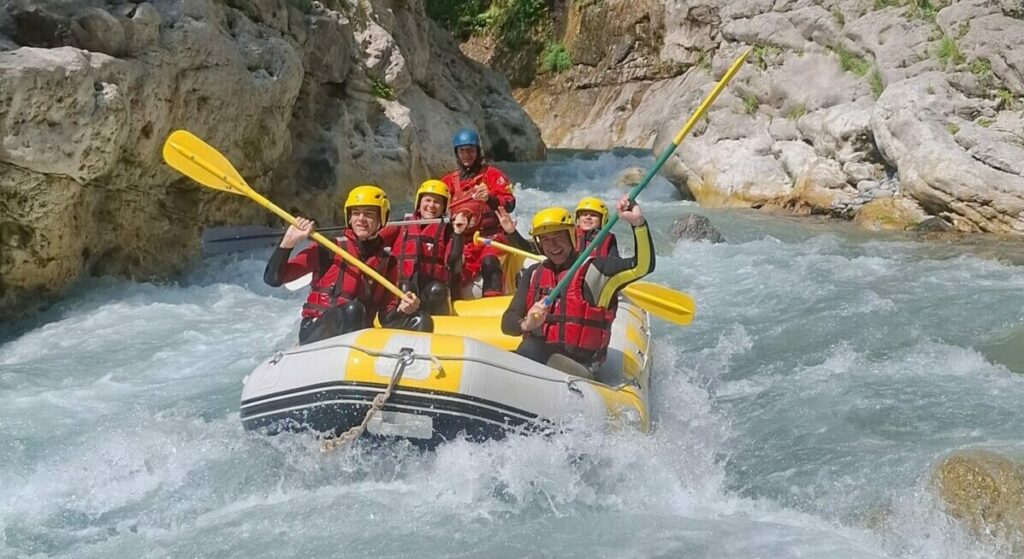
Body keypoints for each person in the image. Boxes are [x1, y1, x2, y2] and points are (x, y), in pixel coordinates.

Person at [501, 197, 654, 376]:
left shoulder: (597, 270)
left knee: (532, 347)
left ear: (572, 235)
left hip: (581, 369)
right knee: (526, 349)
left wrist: (638, 224)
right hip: (539, 363)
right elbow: (507, 321)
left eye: (558, 236)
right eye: (545, 239)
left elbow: (642, 266)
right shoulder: (534, 273)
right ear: (539, 244)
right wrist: (526, 324)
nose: (553, 245)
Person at [264, 185, 431, 345]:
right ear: (349, 217)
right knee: (353, 309)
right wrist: (287, 243)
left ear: (382, 218)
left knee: (420, 319)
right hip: (318, 331)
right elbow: (273, 279)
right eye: (356, 213)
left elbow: (386, 317)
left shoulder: (388, 261)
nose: (361, 219)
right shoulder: (328, 249)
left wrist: (403, 309)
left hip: (361, 335)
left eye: (369, 214)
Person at [442, 127, 516, 298]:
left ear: (477, 151)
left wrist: (490, 198)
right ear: (457, 153)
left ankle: (493, 299)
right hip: (463, 239)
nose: (467, 155)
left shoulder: (491, 175)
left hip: (491, 236)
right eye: (462, 151)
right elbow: (434, 205)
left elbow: (510, 203)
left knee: (489, 261)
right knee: (453, 268)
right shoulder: (449, 181)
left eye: (470, 150)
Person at [379, 180, 469, 316]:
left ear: (444, 206)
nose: (431, 205)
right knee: (405, 288)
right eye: (427, 200)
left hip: (430, 292)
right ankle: (398, 320)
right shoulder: (401, 224)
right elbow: (374, 242)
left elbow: (453, 263)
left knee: (438, 290)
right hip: (404, 288)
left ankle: (439, 326)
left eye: (437, 201)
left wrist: (458, 233)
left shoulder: (448, 230)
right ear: (419, 203)